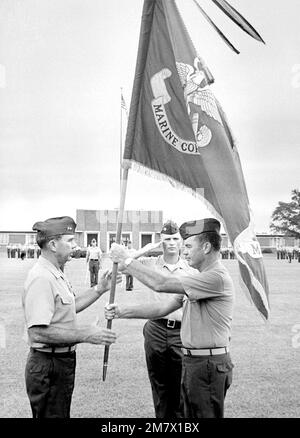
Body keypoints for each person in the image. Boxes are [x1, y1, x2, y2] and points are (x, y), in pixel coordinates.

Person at [107, 218, 235, 418]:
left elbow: (162, 284)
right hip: (195, 362)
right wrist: (122, 311)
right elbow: (163, 307)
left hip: (207, 365)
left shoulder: (215, 277)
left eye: (189, 246)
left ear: (207, 247)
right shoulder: (199, 278)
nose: (184, 251)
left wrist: (127, 260)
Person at [22, 216, 120, 418]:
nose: (75, 246)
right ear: (53, 244)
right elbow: (38, 333)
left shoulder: (55, 271)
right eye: (70, 241)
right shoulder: (42, 277)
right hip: (49, 364)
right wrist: (85, 334)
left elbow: (70, 306)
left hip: (60, 361)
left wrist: (100, 288)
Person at [128, 221, 190, 418]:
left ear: (181, 241)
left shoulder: (190, 267)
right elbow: (120, 265)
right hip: (156, 327)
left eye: (175, 239)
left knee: (181, 385)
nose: (171, 243)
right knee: (159, 386)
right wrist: (146, 249)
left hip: (182, 330)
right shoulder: (150, 263)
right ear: (160, 241)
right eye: (166, 239)